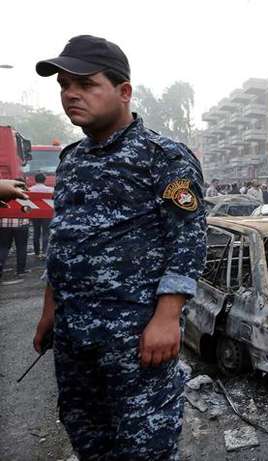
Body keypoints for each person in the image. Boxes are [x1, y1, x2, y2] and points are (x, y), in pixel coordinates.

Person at [33, 35, 206, 459]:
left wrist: (167, 317)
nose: (70, 94)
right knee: (89, 439)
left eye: (86, 84)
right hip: (75, 341)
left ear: (123, 91)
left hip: (136, 341)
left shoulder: (162, 157)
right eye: (63, 85)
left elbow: (187, 238)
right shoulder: (72, 159)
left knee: (145, 449)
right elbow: (65, 238)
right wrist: (49, 309)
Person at [0, 210, 30, 285]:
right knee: (21, 248)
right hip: (21, 223)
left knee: (3, 248)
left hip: (3, 223)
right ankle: (20, 271)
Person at [29, 173, 55, 259]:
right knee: (46, 233)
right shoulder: (51, 190)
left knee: (36, 232)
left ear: (35, 180)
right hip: (47, 214)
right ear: (45, 180)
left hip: (34, 214)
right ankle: (44, 252)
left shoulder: (29, 189)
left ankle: (36, 252)